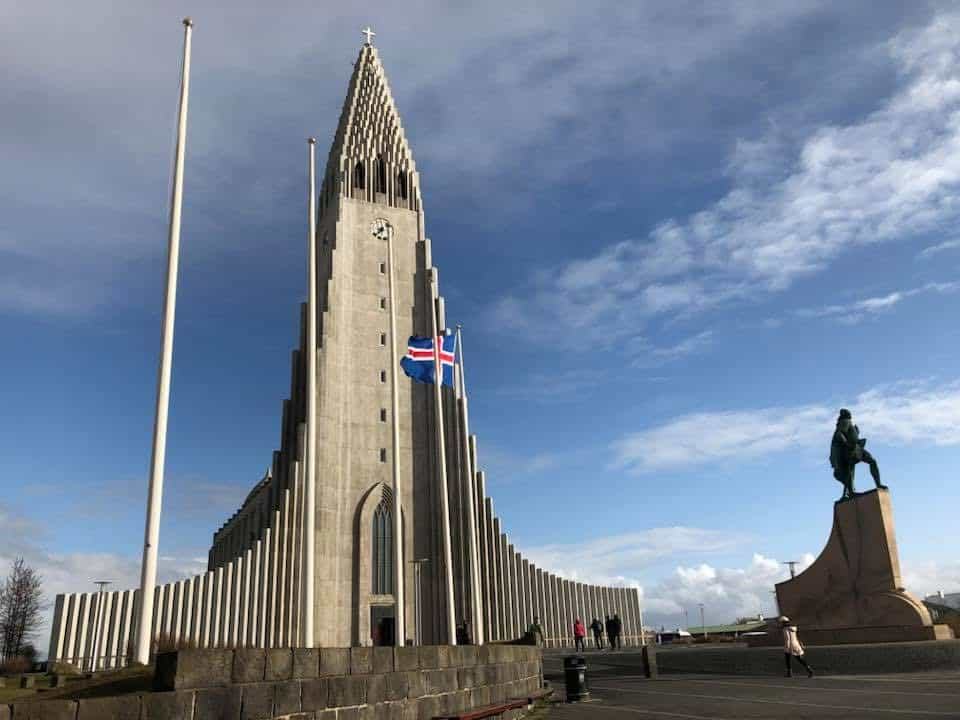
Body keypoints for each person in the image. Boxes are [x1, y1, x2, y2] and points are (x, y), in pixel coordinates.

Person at [830, 408, 886, 500]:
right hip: (852, 450)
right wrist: (847, 444)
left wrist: (856, 433)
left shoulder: (847, 422)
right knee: (866, 464)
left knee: (851, 472)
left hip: (855, 448)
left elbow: (847, 435)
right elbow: (839, 434)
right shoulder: (845, 421)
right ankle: (876, 485)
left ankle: (849, 493)